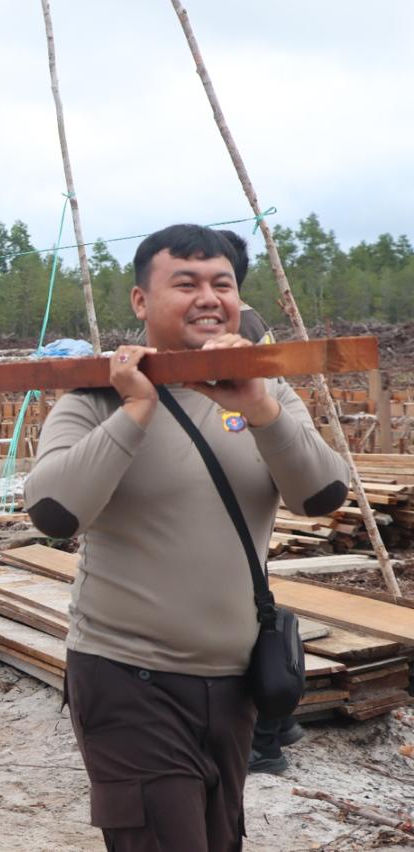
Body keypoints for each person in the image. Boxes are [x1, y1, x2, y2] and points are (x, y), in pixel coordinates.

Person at [24, 224, 349, 851]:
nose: (208, 296)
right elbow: (55, 513)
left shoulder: (266, 392)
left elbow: (323, 497)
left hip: (234, 685)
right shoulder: (95, 397)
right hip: (127, 678)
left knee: (219, 838)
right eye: (186, 283)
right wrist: (137, 410)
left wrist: (259, 408)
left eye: (221, 283)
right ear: (141, 301)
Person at [219, 231, 302, 775]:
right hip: (240, 477)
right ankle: (276, 724)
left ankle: (267, 734)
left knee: (248, 614)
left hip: (238, 477)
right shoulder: (243, 321)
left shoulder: (237, 328)